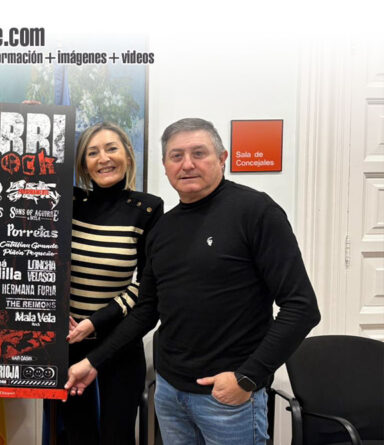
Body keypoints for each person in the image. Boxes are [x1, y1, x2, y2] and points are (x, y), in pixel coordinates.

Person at [65, 118, 321, 445]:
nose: (187, 164)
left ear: (222, 158)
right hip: (170, 394)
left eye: (199, 153)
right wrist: (92, 361)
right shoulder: (164, 228)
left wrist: (248, 377)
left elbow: (301, 308)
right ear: (165, 165)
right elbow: (146, 311)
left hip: (228, 399)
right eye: (176, 156)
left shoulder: (255, 211)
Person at [62, 122, 163, 444]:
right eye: (93, 153)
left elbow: (147, 284)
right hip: (67, 343)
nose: (103, 158)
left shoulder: (148, 208)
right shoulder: (68, 202)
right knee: (75, 438)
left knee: (117, 437)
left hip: (119, 342)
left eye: (111, 149)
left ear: (128, 155)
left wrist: (95, 321)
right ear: (83, 164)